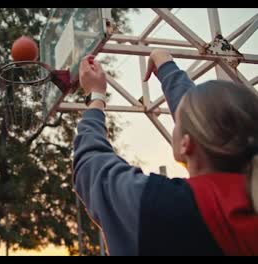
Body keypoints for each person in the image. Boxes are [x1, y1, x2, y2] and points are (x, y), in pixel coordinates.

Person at [73, 49, 258, 256]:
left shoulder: (160, 208)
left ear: (185, 145)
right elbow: (209, 120)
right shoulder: (246, 203)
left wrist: (95, 96)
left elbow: (91, 166)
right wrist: (167, 67)